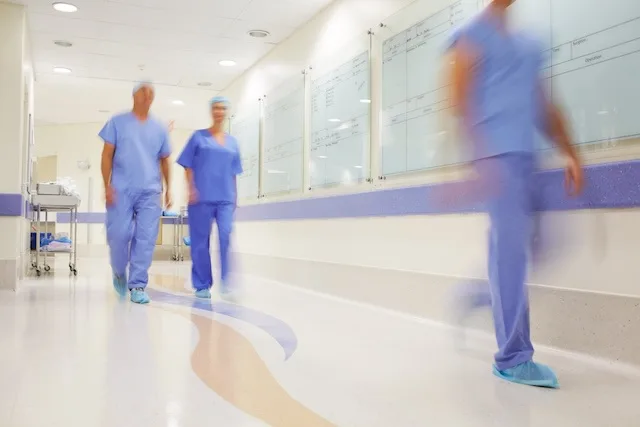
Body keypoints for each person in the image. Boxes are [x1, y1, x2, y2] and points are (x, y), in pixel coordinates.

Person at [448, 0, 584, 388]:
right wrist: (476, 159)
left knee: (546, 246)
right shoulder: (470, 36)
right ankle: (512, 357)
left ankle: (480, 295)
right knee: (510, 255)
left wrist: (571, 151)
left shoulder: (528, 42)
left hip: (529, 158)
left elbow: (543, 104)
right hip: (497, 159)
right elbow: (459, 101)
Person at [99, 82, 172, 304]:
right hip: (121, 189)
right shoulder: (117, 122)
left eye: (151, 93)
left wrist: (168, 188)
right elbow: (106, 155)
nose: (148, 95)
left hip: (150, 191)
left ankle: (138, 284)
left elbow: (165, 159)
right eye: (143, 91)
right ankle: (119, 270)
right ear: (134, 95)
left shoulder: (159, 128)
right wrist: (107, 185)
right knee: (119, 234)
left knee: (146, 238)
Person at [177, 96, 242, 300]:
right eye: (216, 108)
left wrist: (235, 197)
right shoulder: (198, 137)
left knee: (225, 236)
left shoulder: (233, 142)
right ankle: (202, 284)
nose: (219, 111)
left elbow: (233, 172)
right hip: (201, 198)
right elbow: (187, 165)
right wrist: (191, 189)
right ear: (211, 111)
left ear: (226, 112)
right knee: (200, 242)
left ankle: (225, 283)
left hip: (225, 198)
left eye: (223, 108)